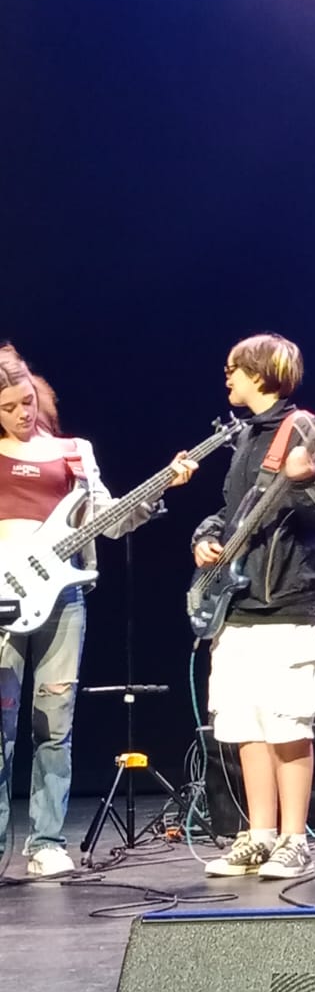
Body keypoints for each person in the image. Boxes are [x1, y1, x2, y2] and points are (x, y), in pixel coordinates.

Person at [0, 345, 196, 878]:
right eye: (9, 407)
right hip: (4, 601)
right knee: (2, 727)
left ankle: (46, 842)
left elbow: (107, 520)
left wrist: (156, 490)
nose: (23, 413)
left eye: (27, 401)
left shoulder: (73, 453)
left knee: (54, 723)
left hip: (62, 599)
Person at [192, 334, 315, 880]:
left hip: (285, 602)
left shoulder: (300, 429)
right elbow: (231, 511)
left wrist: (300, 483)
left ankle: (293, 838)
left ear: (260, 374)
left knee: (286, 722)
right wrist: (205, 536)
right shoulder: (246, 436)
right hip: (237, 604)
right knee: (245, 723)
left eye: (233, 368)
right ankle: (258, 836)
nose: (227, 377)